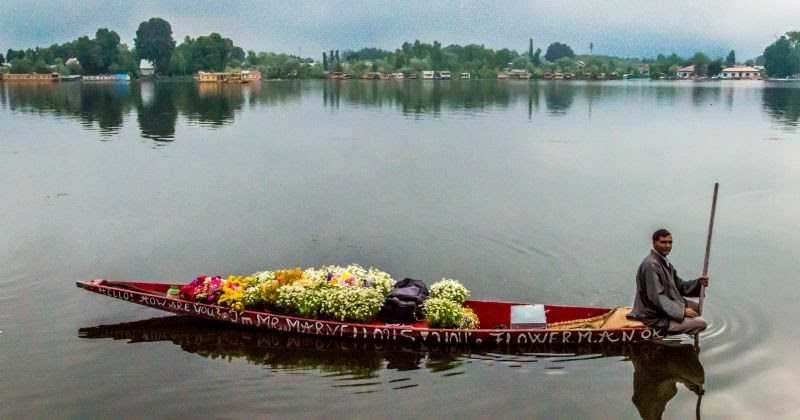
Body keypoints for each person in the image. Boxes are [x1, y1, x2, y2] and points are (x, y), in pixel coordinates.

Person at [629, 229, 710, 336]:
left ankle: (683, 325)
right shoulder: (651, 265)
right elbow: (657, 297)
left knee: (698, 308)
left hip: (663, 308)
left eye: (670, 242)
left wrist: (699, 283)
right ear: (654, 243)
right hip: (652, 315)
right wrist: (681, 312)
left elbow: (680, 286)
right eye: (663, 242)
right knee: (701, 323)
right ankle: (668, 332)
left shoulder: (664, 262)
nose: (667, 245)